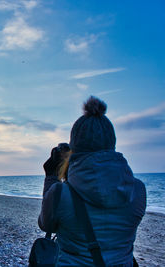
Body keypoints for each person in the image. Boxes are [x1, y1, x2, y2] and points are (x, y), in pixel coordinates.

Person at [38, 96, 146, 266]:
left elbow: (46, 224)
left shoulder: (60, 193)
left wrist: (52, 175)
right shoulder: (138, 190)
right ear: (112, 141)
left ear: (75, 145)